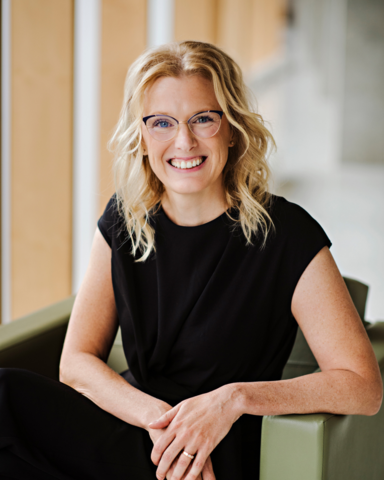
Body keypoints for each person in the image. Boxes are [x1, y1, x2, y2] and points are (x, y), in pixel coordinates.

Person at [0, 40, 382, 480]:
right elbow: (77, 363)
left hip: (217, 451)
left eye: (203, 119)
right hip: (142, 427)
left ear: (233, 128)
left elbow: (362, 385)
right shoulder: (124, 220)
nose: (184, 141)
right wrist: (161, 422)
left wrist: (233, 399)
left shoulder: (286, 233)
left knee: (5, 397)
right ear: (141, 137)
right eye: (162, 122)